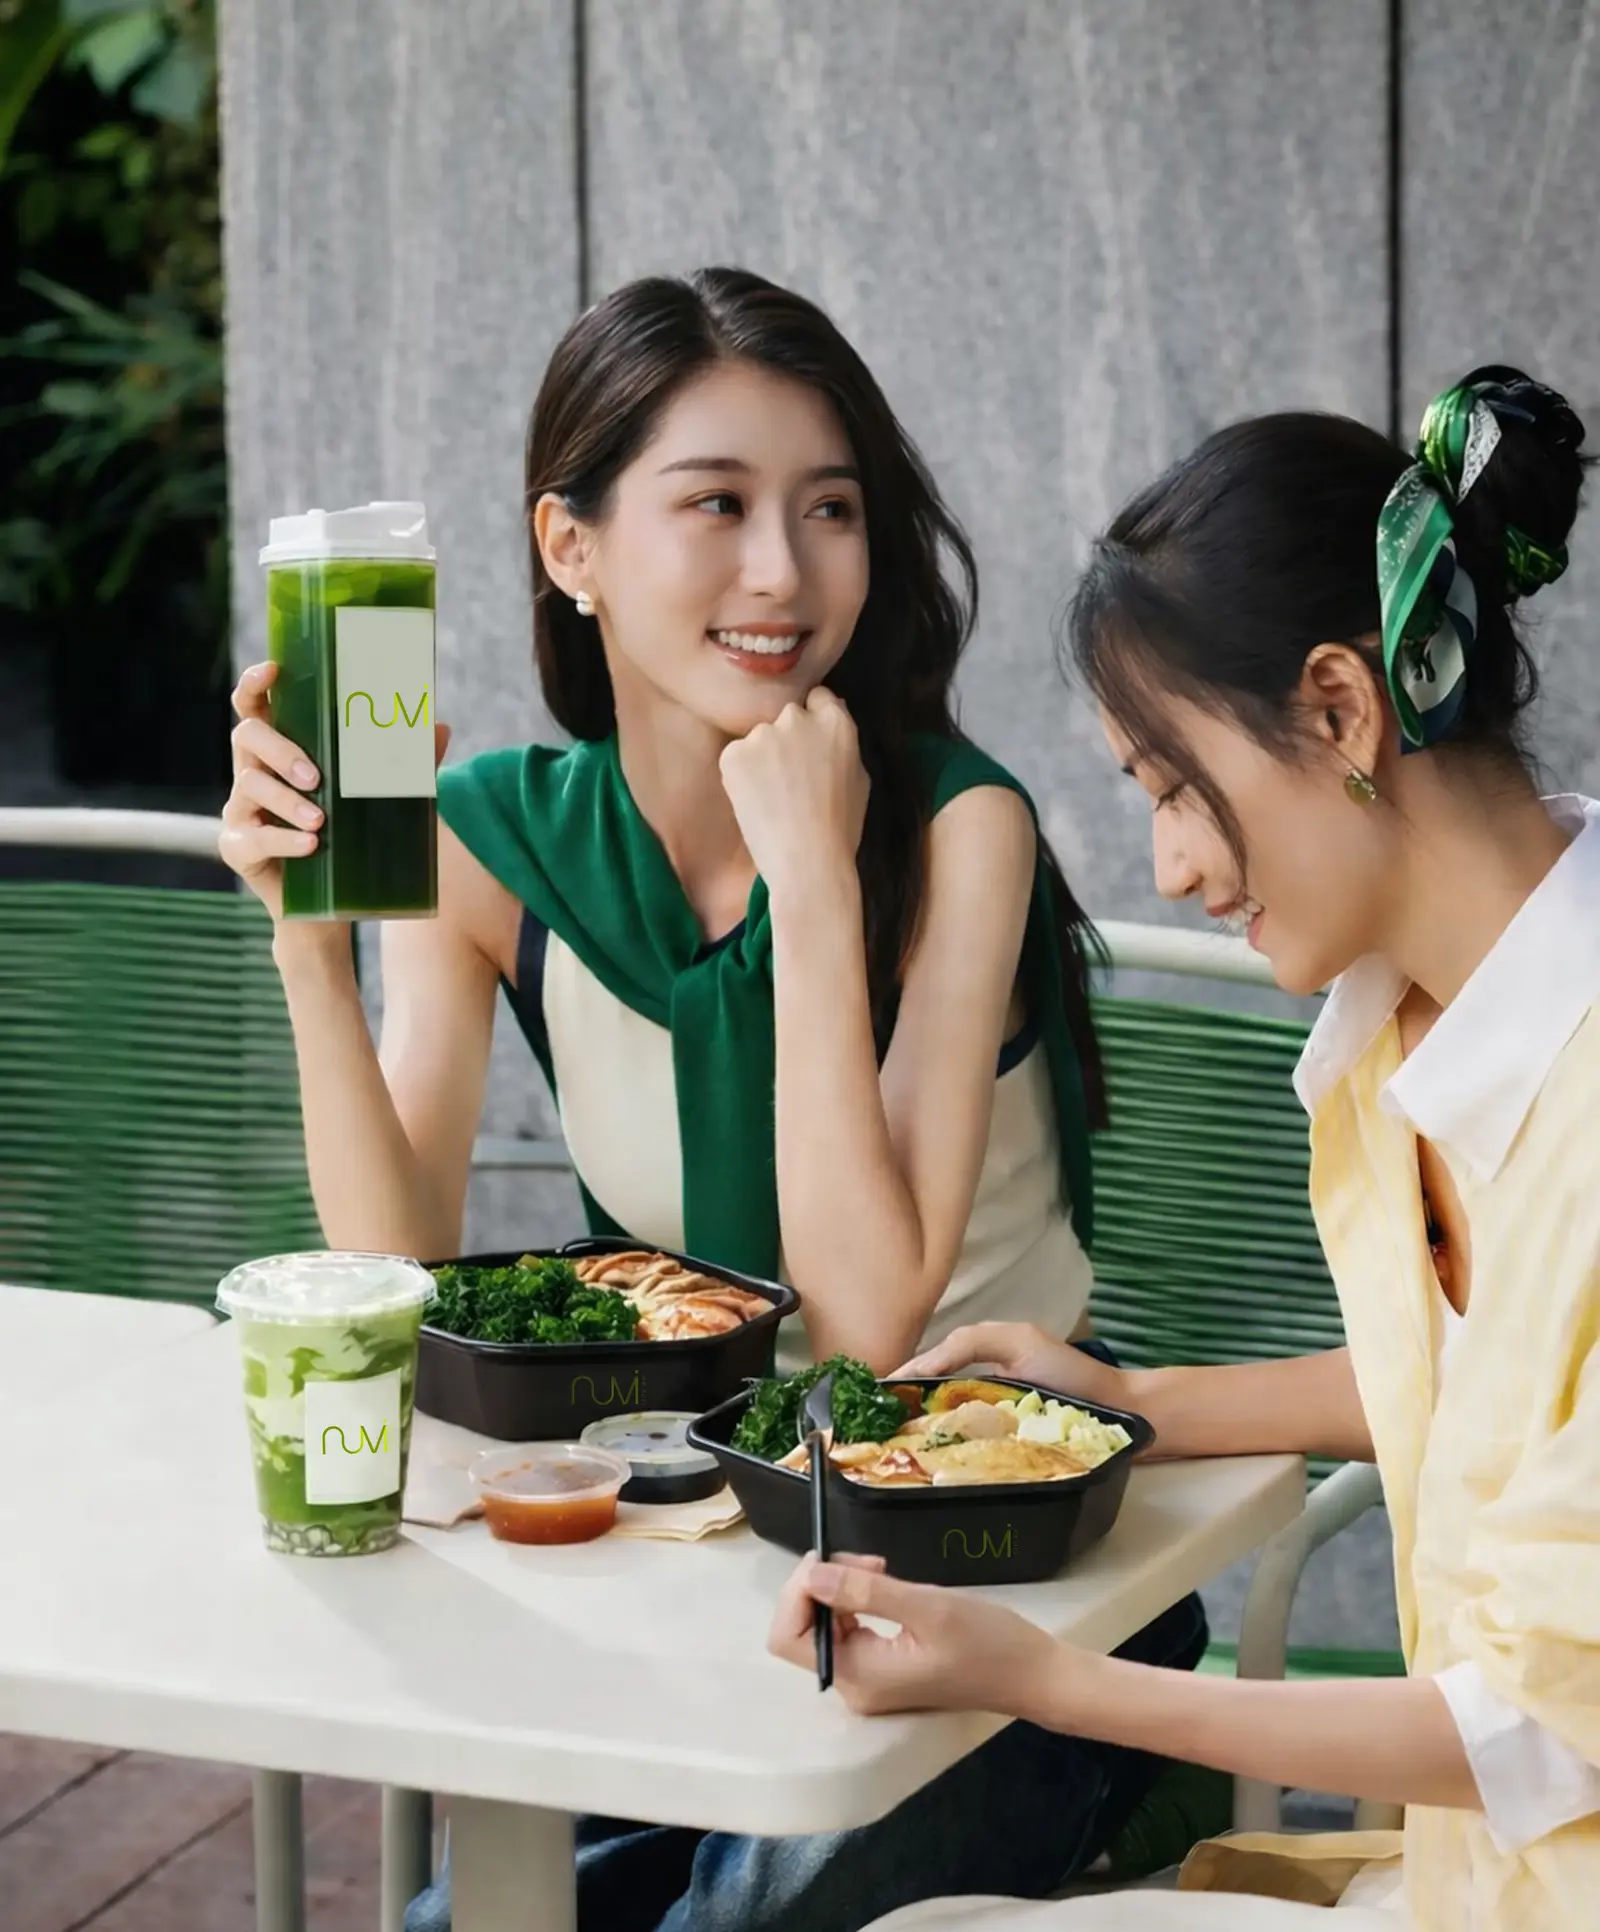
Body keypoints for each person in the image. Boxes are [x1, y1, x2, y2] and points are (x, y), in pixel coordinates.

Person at [221, 267, 1208, 1932]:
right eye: (718, 505)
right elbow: (394, 1261)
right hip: (687, 1560)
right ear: (570, 550)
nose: (784, 572)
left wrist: (814, 888)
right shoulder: (492, 836)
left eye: (831, 510)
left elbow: (874, 1316)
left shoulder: (961, 832)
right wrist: (311, 943)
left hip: (1010, 1576)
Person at [769, 366, 1600, 1931]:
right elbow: (1505, 1392)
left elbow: (1530, 1729)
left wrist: (1050, 1683)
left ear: (1345, 707)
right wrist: (1143, 1404)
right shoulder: (1392, 1039)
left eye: (1177, 787)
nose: (1168, 866)